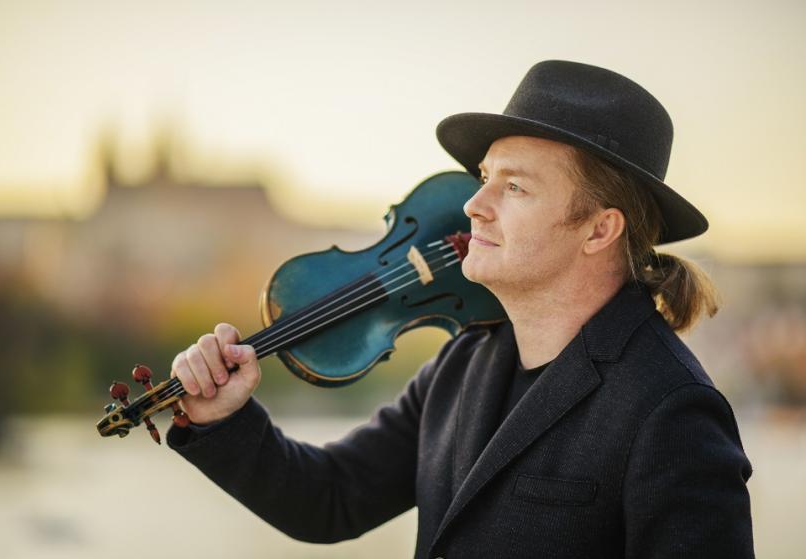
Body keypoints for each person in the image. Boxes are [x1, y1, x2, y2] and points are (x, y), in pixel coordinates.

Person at [167, 60, 754, 558]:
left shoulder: (672, 410)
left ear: (600, 229)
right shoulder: (463, 363)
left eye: (515, 187)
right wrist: (224, 420)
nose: (474, 204)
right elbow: (332, 499)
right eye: (483, 178)